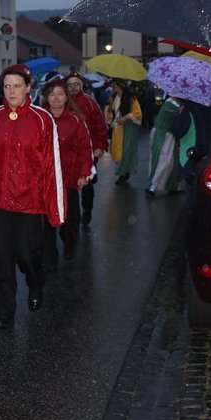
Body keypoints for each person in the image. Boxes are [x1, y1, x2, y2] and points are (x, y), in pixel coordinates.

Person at [0, 64, 65, 330]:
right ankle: (5, 310)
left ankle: (35, 283)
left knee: (27, 255)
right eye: (7, 86)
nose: (12, 91)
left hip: (30, 203)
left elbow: (52, 165)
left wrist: (55, 208)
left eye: (17, 86)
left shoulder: (42, 120)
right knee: (1, 260)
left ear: (28, 88)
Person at [39, 79, 93, 271]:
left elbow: (85, 149)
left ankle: (69, 243)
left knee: (71, 220)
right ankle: (49, 258)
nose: (56, 98)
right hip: (45, 180)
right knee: (46, 222)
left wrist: (84, 173)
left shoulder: (75, 121)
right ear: (47, 97)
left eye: (60, 94)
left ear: (66, 98)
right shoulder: (40, 119)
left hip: (68, 179)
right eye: (52, 94)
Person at [65, 73, 108, 225]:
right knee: (68, 187)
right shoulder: (61, 101)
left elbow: (100, 125)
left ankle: (87, 209)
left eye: (77, 84)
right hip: (67, 153)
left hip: (87, 152)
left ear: (82, 86)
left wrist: (100, 146)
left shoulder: (90, 103)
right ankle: (69, 216)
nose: (74, 87)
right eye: (70, 85)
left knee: (87, 185)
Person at [105, 79, 143, 185]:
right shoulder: (115, 97)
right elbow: (111, 113)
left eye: (114, 85)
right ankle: (124, 172)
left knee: (125, 151)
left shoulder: (131, 99)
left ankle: (123, 173)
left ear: (120, 86)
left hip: (127, 129)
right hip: (118, 129)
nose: (113, 87)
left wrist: (125, 118)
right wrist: (110, 105)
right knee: (117, 150)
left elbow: (137, 113)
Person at [145, 96, 183, 196]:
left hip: (168, 134)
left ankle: (172, 185)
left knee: (172, 160)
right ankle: (152, 185)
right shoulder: (172, 103)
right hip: (164, 134)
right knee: (162, 160)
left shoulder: (173, 102)